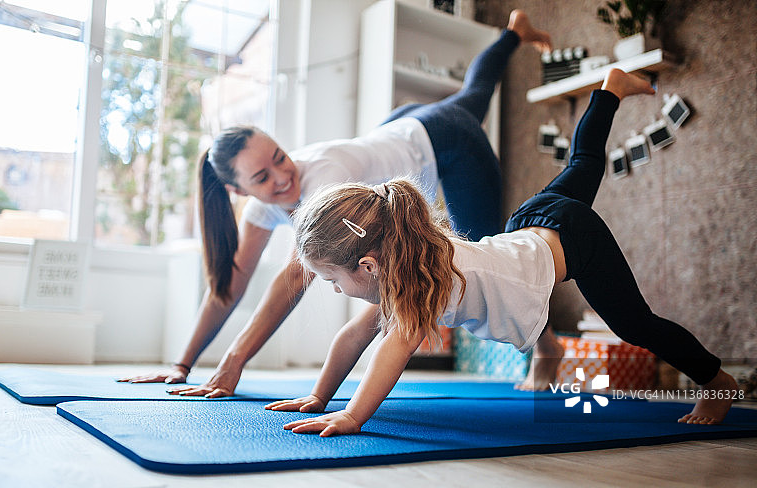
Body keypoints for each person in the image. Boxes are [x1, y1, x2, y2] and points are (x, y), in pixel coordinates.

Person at [265, 68, 740, 437]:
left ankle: (719, 382)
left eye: (332, 279)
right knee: (584, 163)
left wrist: (352, 415)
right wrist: (319, 396)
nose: (334, 290)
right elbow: (353, 336)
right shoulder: (408, 258)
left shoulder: (427, 282)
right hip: (531, 222)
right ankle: (609, 91)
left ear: (369, 265)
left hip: (574, 241)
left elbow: (390, 351)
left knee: (635, 326)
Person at [119, 10, 560, 396]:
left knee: (490, 249)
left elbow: (295, 278)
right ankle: (513, 32)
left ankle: (546, 346)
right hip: (402, 128)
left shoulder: (323, 178)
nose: (282, 176)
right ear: (239, 191)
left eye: (280, 157)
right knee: (473, 94)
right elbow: (229, 287)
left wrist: (234, 360)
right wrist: (182, 364)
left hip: (445, 141)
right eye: (262, 178)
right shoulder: (260, 210)